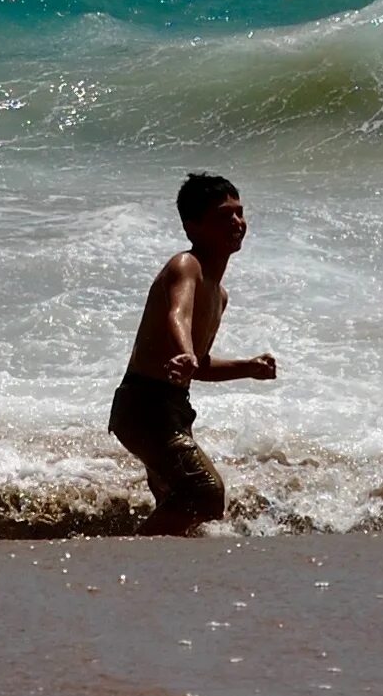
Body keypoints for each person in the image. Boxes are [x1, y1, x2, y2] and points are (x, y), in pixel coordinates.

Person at [110, 172, 279, 535]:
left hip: (171, 408)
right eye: (224, 215)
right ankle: (130, 552)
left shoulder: (219, 294)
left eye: (239, 213)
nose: (237, 222)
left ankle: (151, 568)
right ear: (193, 227)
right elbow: (178, 314)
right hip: (144, 407)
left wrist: (247, 367)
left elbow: (197, 365)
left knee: (178, 503)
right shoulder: (185, 266)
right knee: (204, 494)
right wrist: (185, 351)